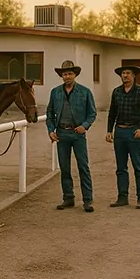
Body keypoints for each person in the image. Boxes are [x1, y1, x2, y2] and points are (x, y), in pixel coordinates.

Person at [46, 60, 97, 212]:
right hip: (62, 133)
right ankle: (68, 198)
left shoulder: (85, 91)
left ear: (75, 75)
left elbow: (92, 113)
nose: (67, 76)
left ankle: (87, 200)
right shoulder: (55, 92)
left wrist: (85, 125)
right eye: (65, 74)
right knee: (65, 167)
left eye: (70, 74)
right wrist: (51, 130)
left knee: (83, 166)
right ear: (61, 76)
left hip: (78, 134)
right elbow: (49, 113)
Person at [106, 64, 140, 209]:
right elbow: (112, 112)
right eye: (123, 73)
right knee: (121, 167)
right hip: (119, 131)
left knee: (137, 166)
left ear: (133, 76)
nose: (125, 75)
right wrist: (109, 130)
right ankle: (122, 197)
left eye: (128, 73)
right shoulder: (116, 92)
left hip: (134, 131)